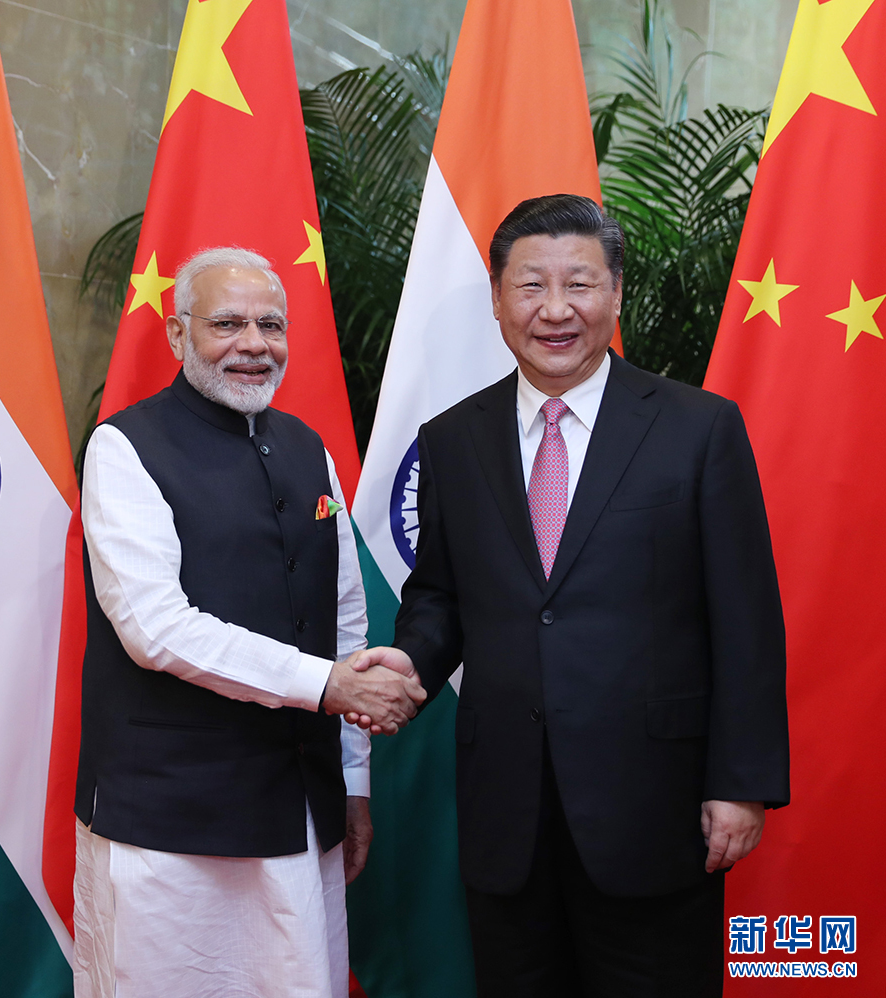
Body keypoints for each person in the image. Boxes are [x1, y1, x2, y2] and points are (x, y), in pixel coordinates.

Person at [352, 196, 789, 997]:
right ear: (497, 299)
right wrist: (410, 660)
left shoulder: (698, 429)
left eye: (579, 284)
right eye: (530, 286)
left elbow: (747, 620)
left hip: (655, 808)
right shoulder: (452, 440)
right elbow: (441, 593)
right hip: (506, 811)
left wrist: (741, 782)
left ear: (615, 293)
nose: (555, 310)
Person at [72, 246, 425, 998]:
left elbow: (344, 620)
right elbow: (155, 628)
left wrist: (353, 783)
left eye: (272, 325)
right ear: (178, 334)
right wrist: (327, 685)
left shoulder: (308, 448)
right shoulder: (124, 446)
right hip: (169, 820)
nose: (254, 344)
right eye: (227, 323)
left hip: (300, 812)